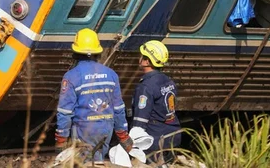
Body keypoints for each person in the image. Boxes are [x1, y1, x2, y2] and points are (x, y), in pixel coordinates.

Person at [56, 28, 132, 164]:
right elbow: (119, 108)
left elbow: (65, 112)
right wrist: (123, 134)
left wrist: (61, 139)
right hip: (106, 128)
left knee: (85, 163)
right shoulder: (111, 74)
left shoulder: (71, 77)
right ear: (98, 52)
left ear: (75, 52)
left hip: (84, 130)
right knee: (98, 161)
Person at [131, 40, 181, 165]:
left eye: (142, 55)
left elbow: (140, 120)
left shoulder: (146, 86)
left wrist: (133, 142)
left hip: (155, 139)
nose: (140, 58)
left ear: (147, 61)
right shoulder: (168, 81)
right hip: (173, 136)